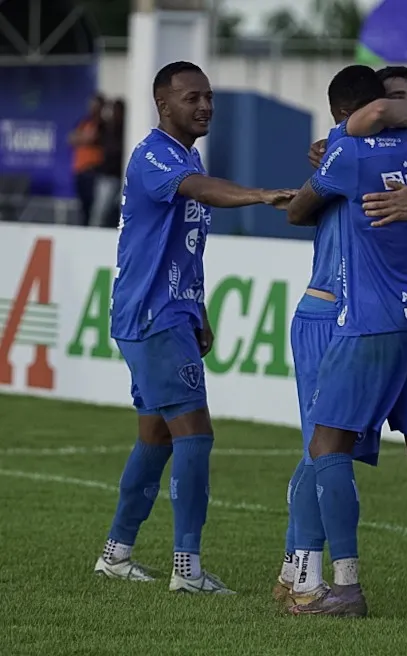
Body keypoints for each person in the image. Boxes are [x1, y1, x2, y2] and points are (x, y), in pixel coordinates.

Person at [94, 61, 296, 594]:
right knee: (195, 435)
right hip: (152, 314)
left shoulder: (187, 154)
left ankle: (116, 554)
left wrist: (198, 308)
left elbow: (187, 244)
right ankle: (187, 569)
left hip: (169, 312)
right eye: (192, 98)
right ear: (164, 105)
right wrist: (258, 195)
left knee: (156, 436)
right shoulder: (156, 155)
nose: (204, 105)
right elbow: (203, 192)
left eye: (208, 97)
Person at [286, 65, 407, 618]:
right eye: (401, 100)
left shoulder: (355, 154)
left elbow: (299, 211)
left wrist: (338, 148)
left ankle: (342, 587)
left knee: (325, 447)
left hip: (371, 320)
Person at [68, 93, 105, 225]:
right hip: (79, 169)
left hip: (91, 169)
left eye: (95, 105)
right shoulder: (84, 122)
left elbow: (90, 138)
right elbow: (71, 139)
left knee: (92, 207)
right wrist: (81, 138)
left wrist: (81, 138)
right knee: (82, 206)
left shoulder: (101, 124)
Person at [90, 99, 125, 228]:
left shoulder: (125, 130)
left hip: (122, 176)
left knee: (117, 212)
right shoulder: (106, 128)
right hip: (107, 176)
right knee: (100, 212)